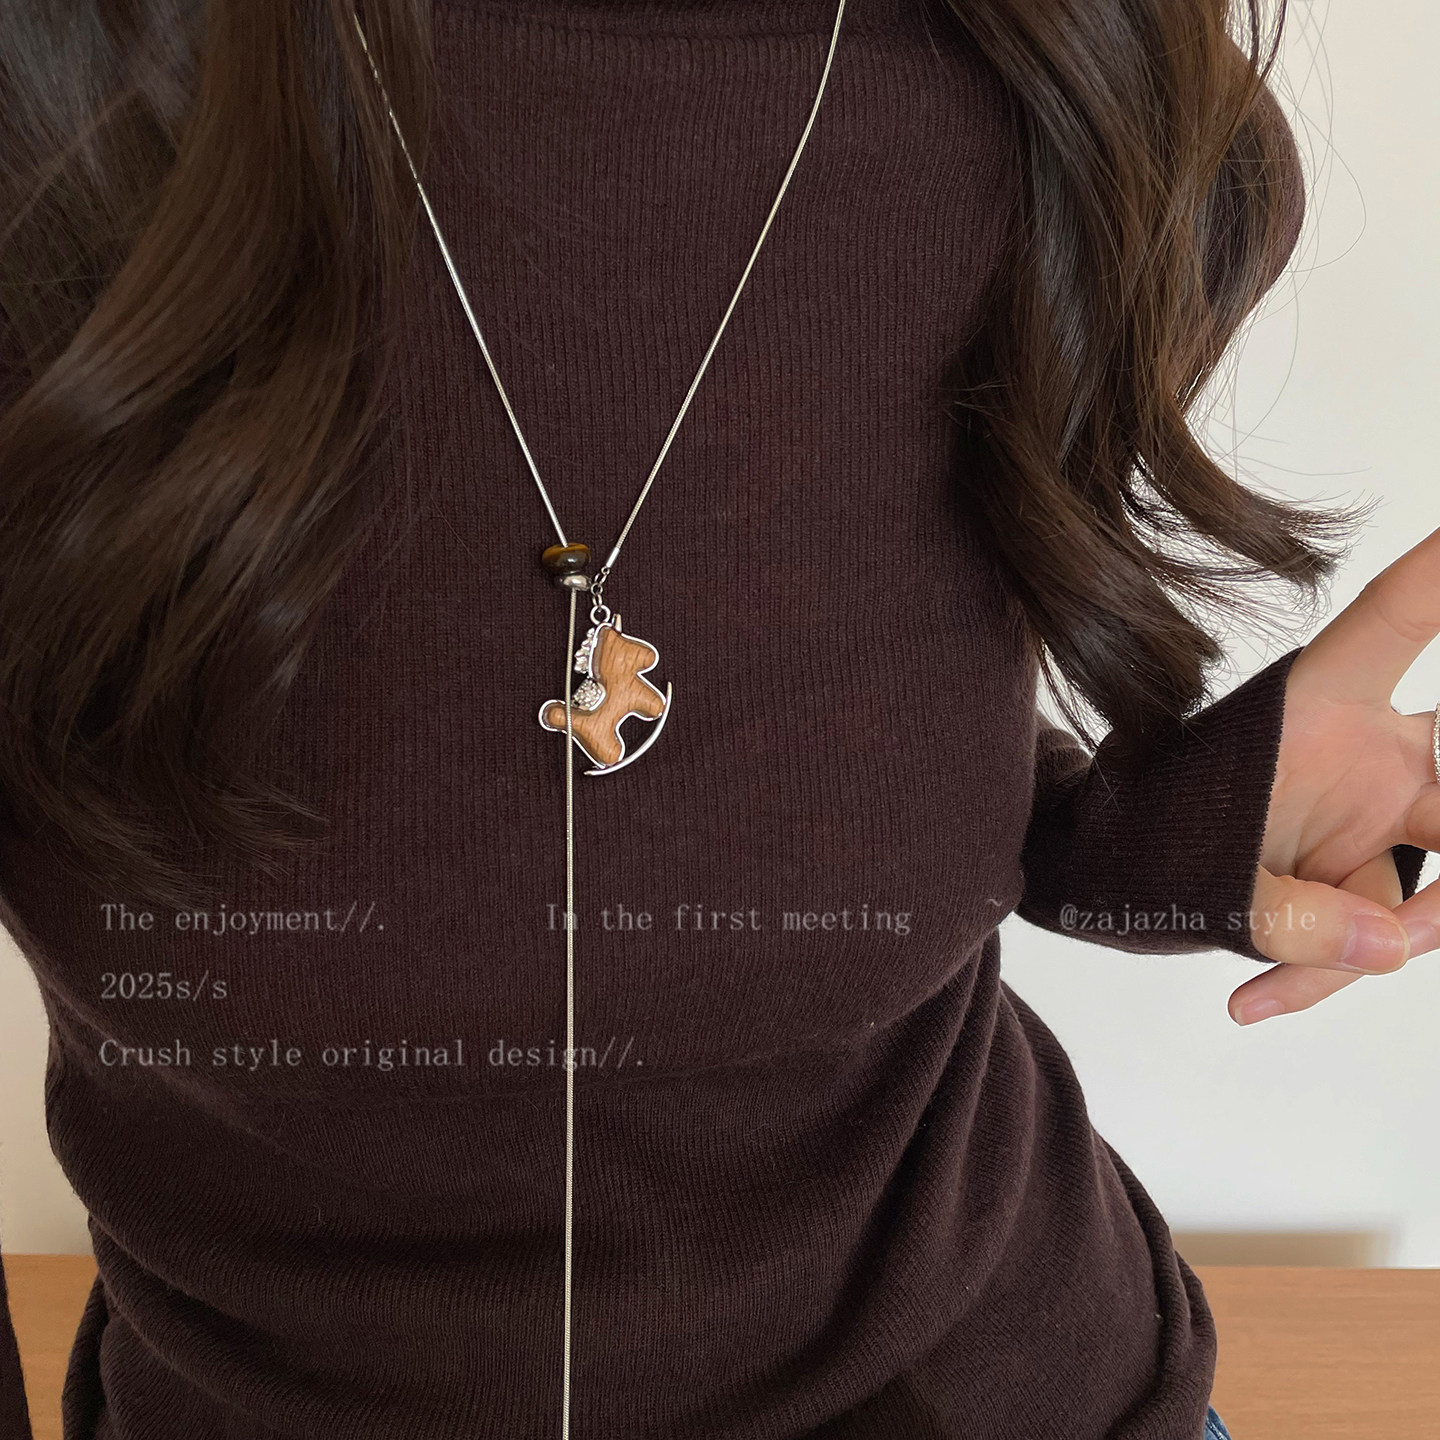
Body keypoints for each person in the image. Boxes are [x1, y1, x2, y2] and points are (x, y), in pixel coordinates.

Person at [1, 0, 1435, 1436]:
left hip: (1001, 1381)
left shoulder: (1057, 88)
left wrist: (1149, 833)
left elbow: (853, 725)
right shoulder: (68, 107)